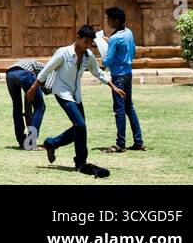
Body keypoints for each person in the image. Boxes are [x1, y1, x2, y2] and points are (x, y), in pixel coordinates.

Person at [33, 24, 126, 177]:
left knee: (80, 128)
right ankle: (80, 160)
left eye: (90, 43)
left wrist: (113, 86)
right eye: (85, 42)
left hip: (76, 95)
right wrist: (33, 88)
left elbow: (98, 73)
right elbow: (46, 69)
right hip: (62, 93)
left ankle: (53, 144)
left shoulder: (88, 56)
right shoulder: (63, 53)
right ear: (77, 37)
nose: (87, 46)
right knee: (80, 125)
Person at [101, 7, 144, 153]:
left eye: (109, 19)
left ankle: (120, 143)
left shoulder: (114, 38)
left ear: (116, 20)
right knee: (129, 108)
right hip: (128, 73)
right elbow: (133, 51)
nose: (107, 22)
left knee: (119, 110)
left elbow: (107, 61)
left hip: (118, 77)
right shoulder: (128, 33)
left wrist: (106, 47)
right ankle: (138, 141)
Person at [6, 58, 46, 150]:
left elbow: (28, 102)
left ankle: (22, 140)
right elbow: (48, 88)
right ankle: (31, 143)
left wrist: (28, 115)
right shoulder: (52, 73)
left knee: (17, 107)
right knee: (40, 107)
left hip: (10, 73)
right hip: (25, 73)